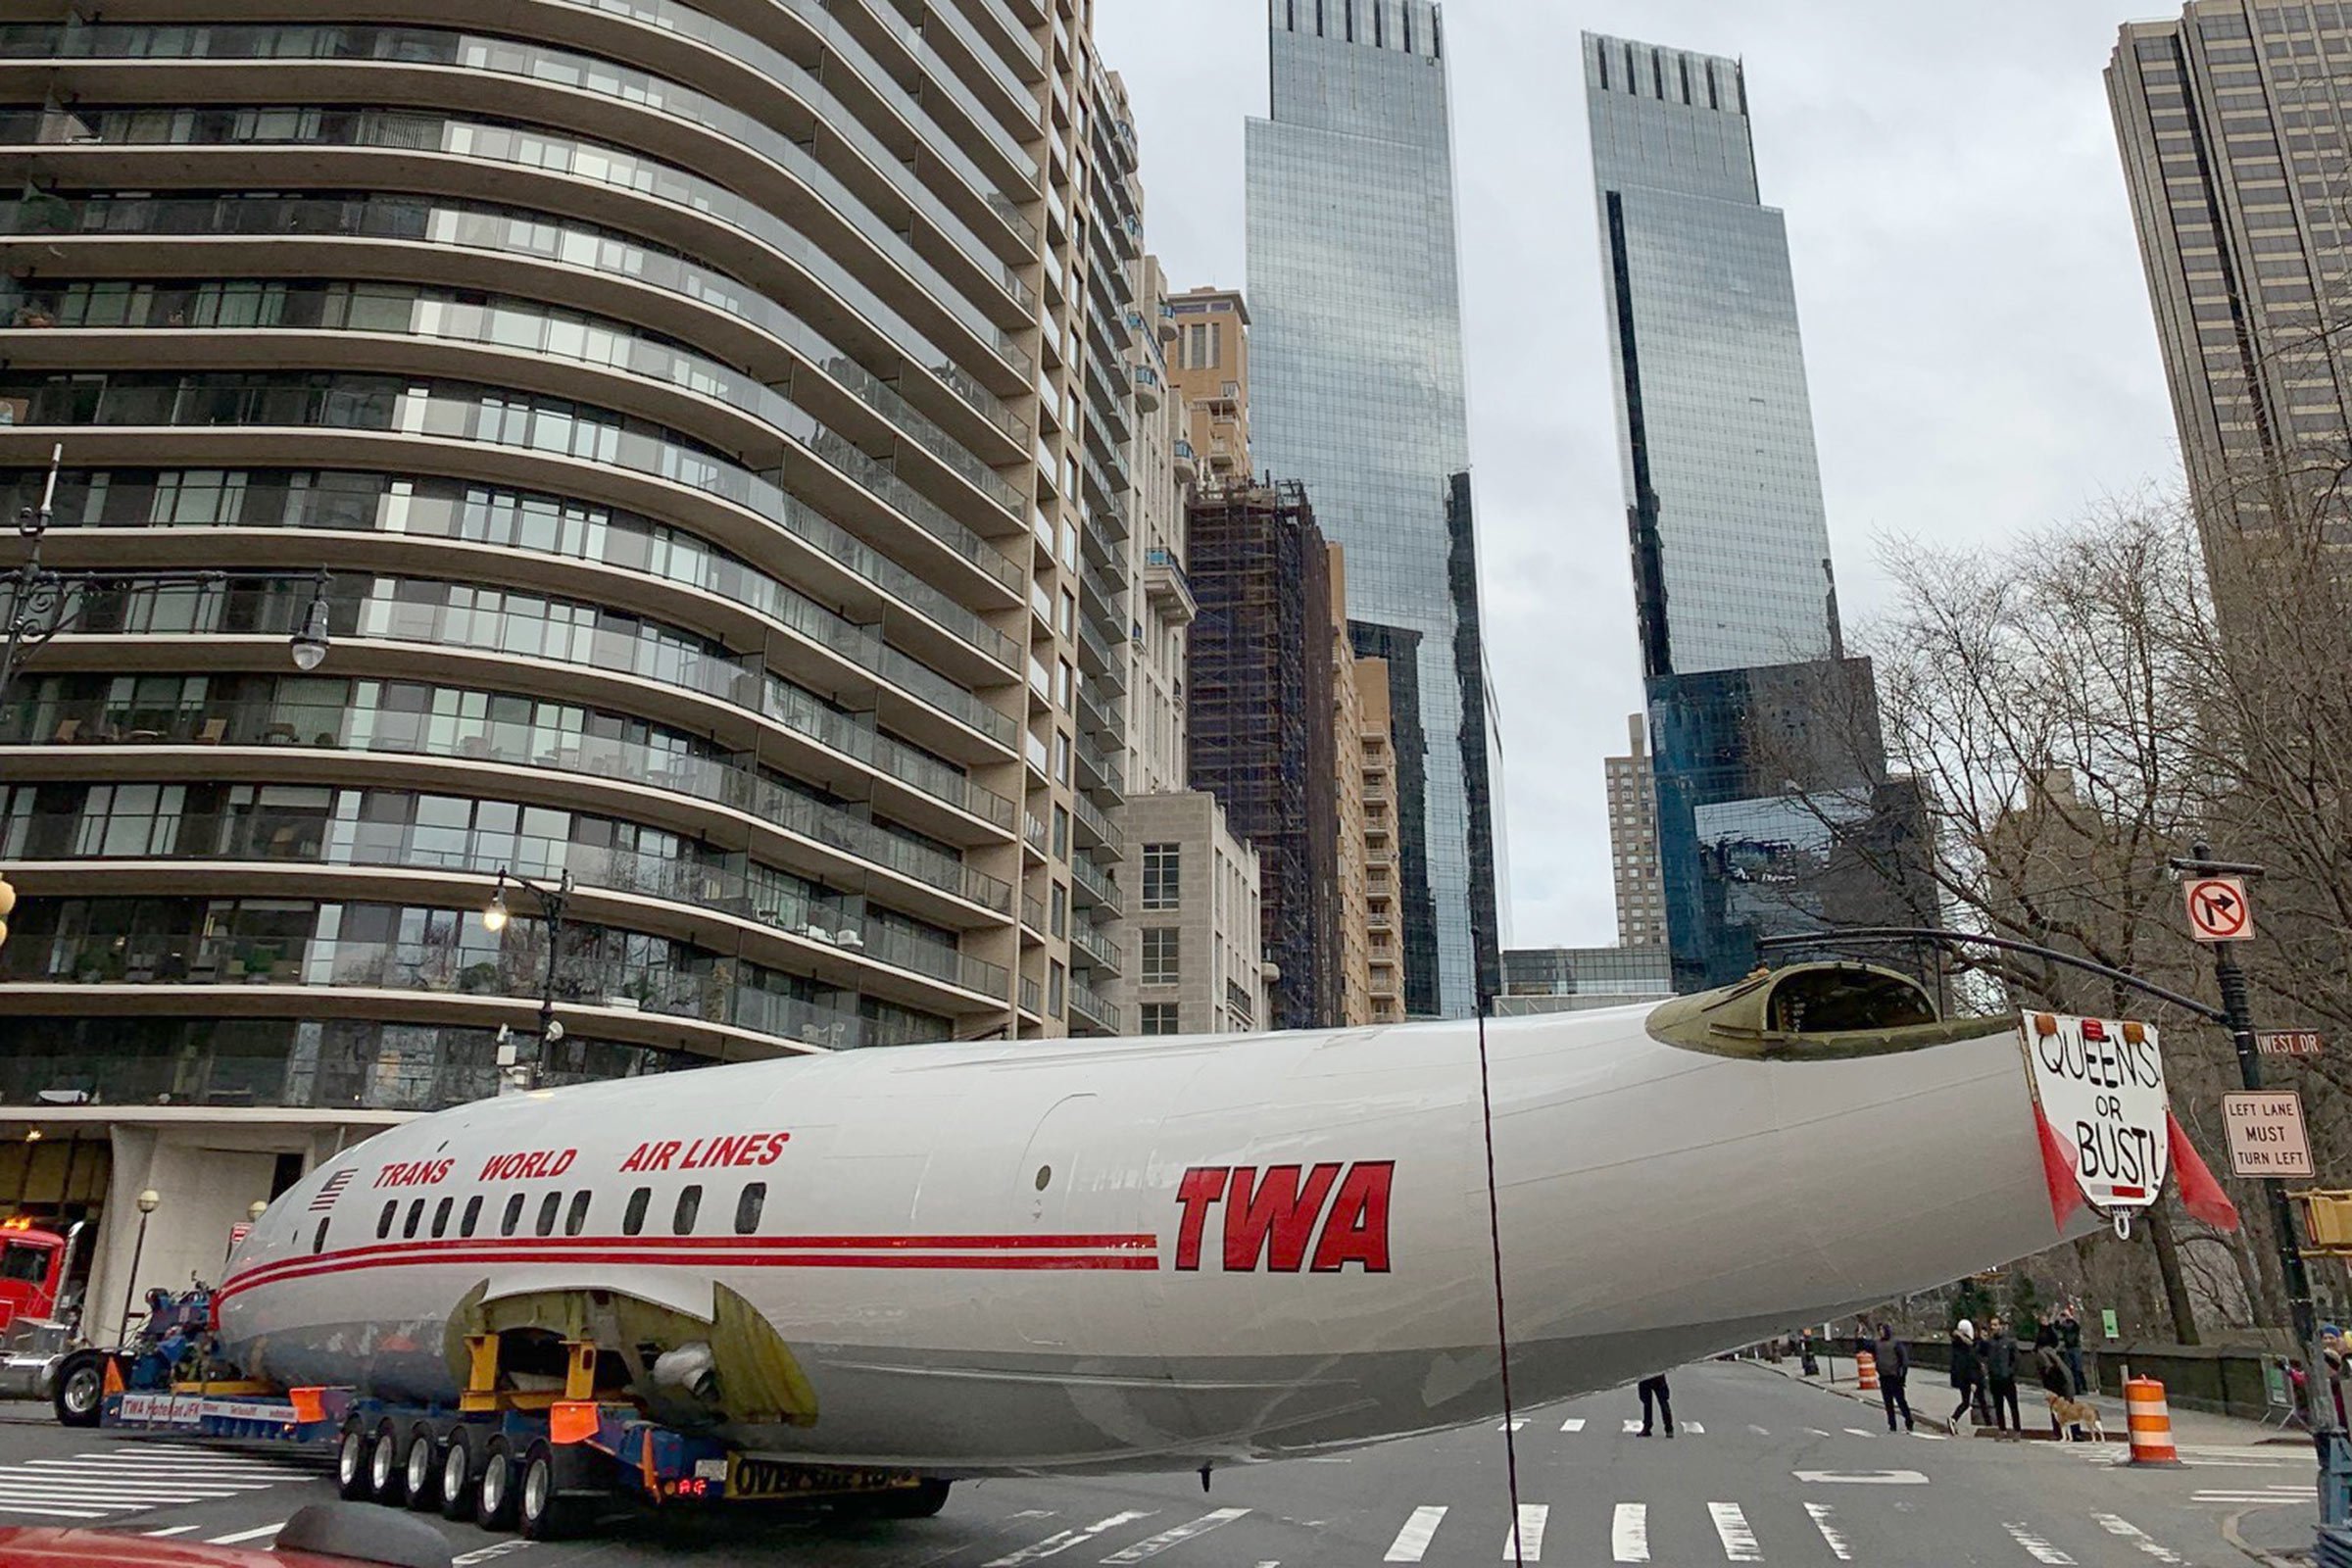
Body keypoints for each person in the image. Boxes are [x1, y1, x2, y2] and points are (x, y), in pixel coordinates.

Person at [2035, 1323, 2078, 1440]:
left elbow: (2047, 1368)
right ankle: (2075, 1433)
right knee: (2070, 1408)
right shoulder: (2057, 1351)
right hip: (2066, 1381)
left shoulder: (2042, 1352)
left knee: (2056, 1409)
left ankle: (2059, 1433)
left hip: (2056, 1383)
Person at [1984, 1316, 2022, 1433]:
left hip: (2007, 1378)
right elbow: (1980, 1354)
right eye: (1992, 1325)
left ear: (2001, 1326)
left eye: (1995, 1325)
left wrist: (2011, 1371)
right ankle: (2002, 1429)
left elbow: (2016, 1359)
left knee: (2013, 1406)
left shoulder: (2009, 1342)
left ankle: (2017, 1429)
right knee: (1998, 1406)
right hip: (1995, 1378)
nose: (1993, 1327)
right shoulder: (1989, 1342)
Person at [1875, 1322, 1914, 1433]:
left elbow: (1904, 1360)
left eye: (1882, 1330)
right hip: (1884, 1376)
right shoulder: (1877, 1344)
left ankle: (1909, 1420)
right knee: (1888, 1402)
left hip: (1894, 1377)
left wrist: (1902, 1376)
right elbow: (1866, 1346)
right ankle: (1892, 1424)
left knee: (1901, 1401)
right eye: (1879, 1330)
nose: (1881, 1332)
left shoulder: (1895, 1343)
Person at [1949, 1319, 1985, 1427]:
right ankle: (1953, 1418)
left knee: (1973, 1401)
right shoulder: (1967, 1347)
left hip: (1962, 1377)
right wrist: (1973, 1380)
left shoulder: (1957, 1344)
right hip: (1969, 1377)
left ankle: (1954, 1418)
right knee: (1979, 1401)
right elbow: (1969, 1364)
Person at [2057, 1303, 2086, 1396]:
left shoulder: (2074, 1325)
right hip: (2068, 1348)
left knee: (2078, 1369)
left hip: (2075, 1348)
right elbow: (2055, 1326)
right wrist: (2058, 1315)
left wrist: (2070, 1316)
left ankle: (2082, 1388)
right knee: (2069, 1369)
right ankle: (2073, 1388)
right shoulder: (2064, 1325)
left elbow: (2077, 1326)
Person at [1637, 1372, 1675, 1438]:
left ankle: (1667, 1428)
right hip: (1654, 1375)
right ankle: (1668, 1428)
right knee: (1660, 1402)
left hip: (1651, 1375)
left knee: (1656, 1403)